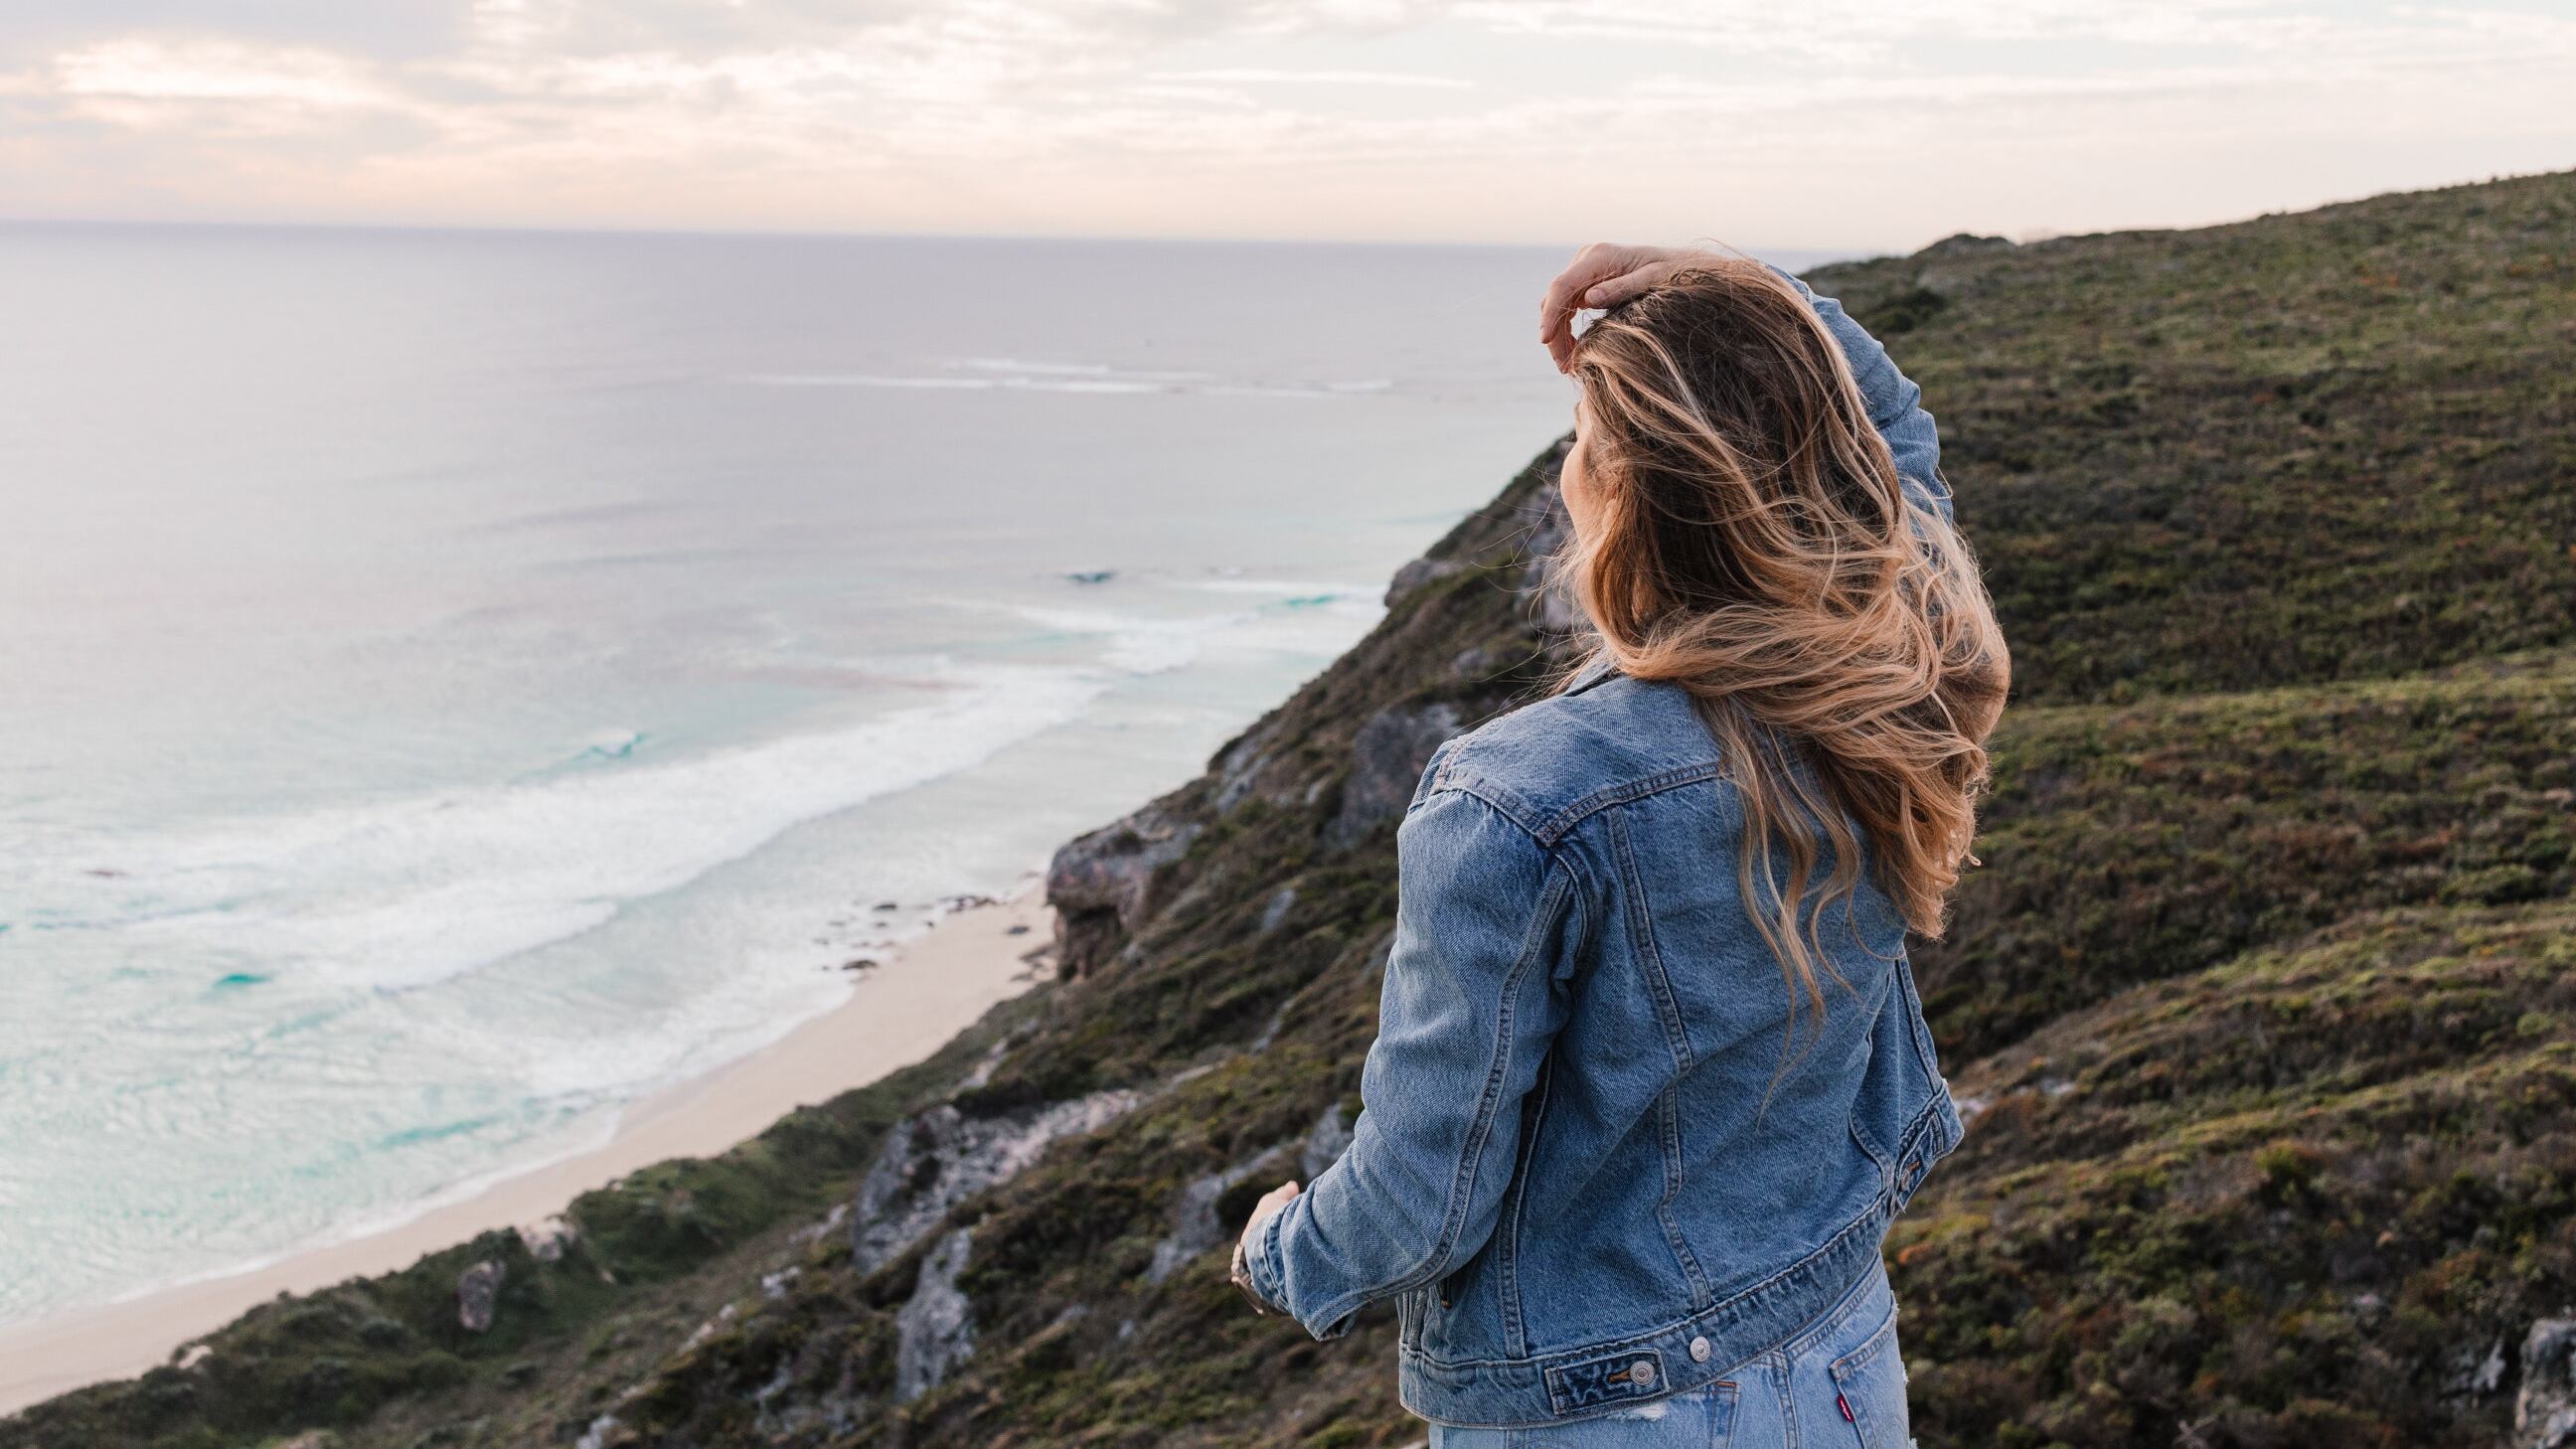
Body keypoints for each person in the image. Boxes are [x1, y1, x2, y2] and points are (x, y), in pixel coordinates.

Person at [1226, 242, 2010, 1446]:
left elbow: (1421, 1202)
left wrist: (1283, 1246)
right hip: (1840, 1362)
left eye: (1583, 442)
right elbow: (1894, 432)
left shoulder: (1518, 798)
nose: (1566, 464)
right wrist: (1742, 291)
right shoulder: (1901, 672)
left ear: (1630, 492)